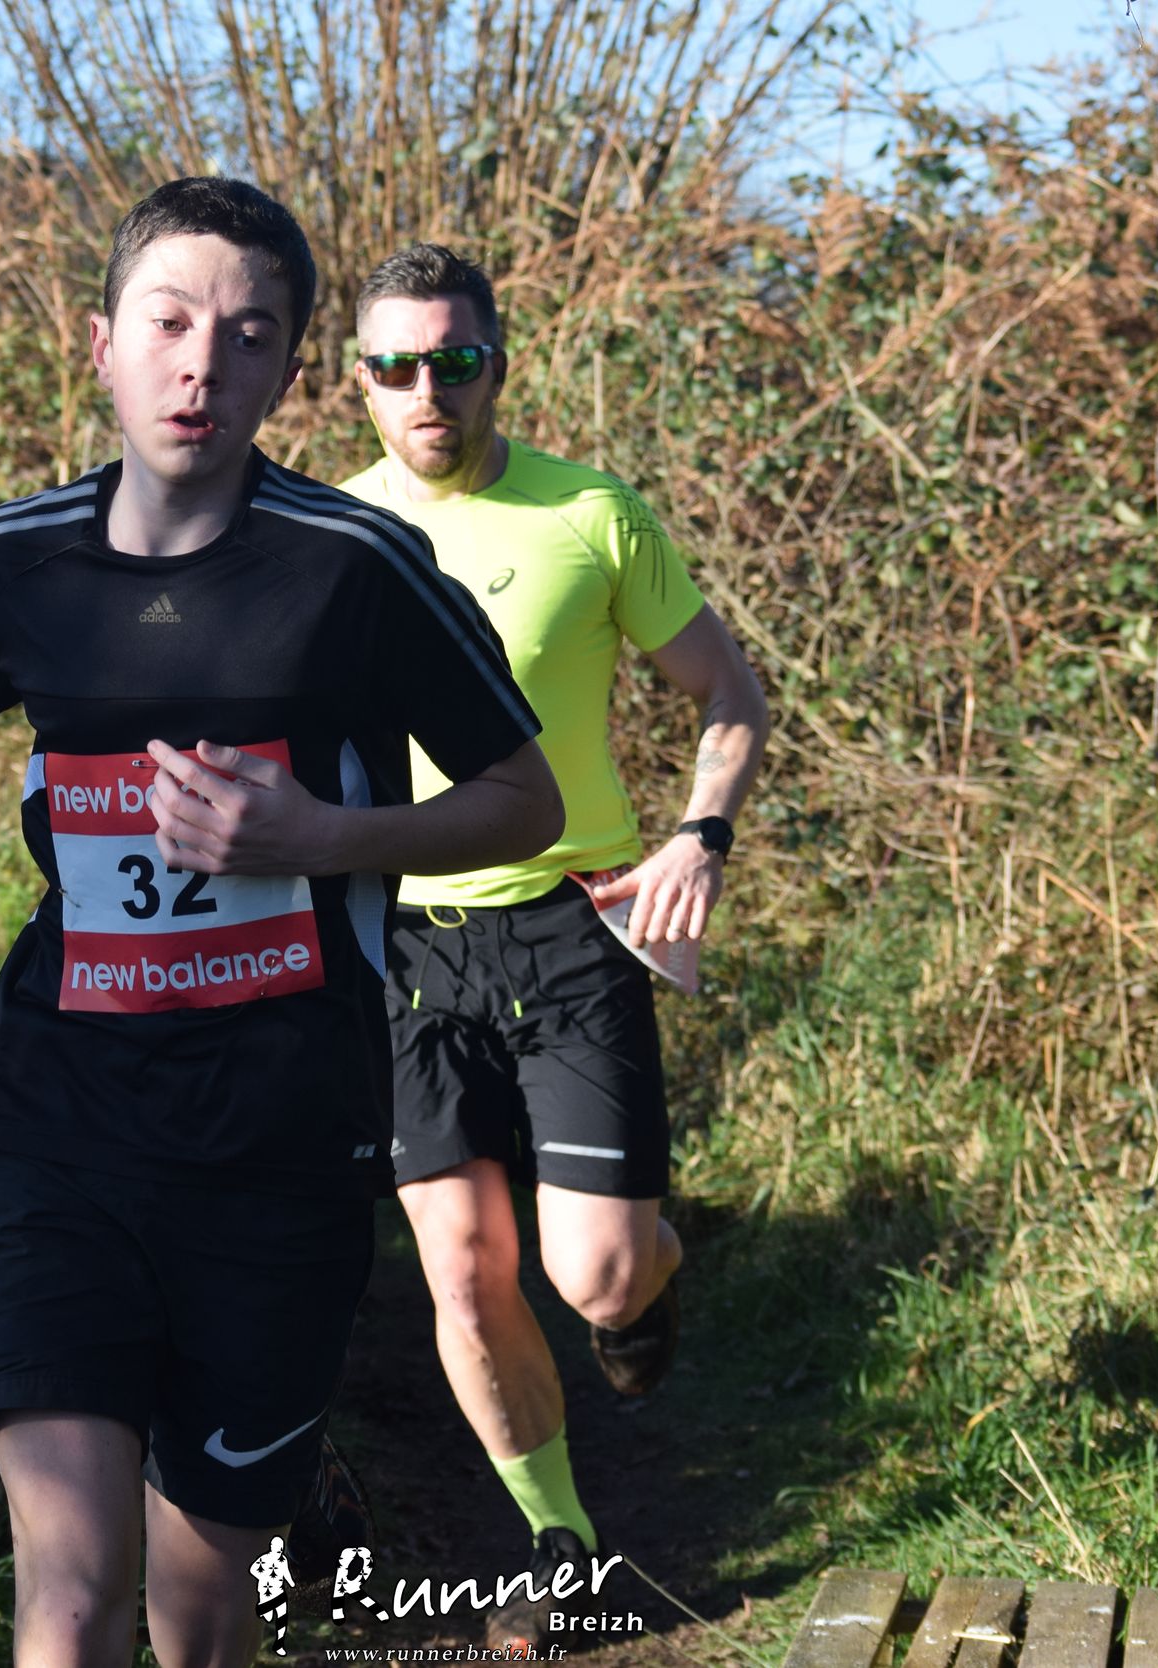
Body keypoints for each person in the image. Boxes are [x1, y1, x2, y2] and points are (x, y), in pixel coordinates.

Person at [0, 185, 560, 1668]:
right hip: (62, 1125)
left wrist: (319, 839)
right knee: (70, 1603)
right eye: (171, 322)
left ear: (289, 373)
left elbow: (528, 801)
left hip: (284, 1144)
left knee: (195, 1621)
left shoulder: (356, 566)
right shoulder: (7, 565)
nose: (203, 362)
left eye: (249, 335)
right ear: (103, 344)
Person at [340, 244, 769, 1651]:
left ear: (498, 367)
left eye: (455, 361)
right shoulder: (326, 537)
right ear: (358, 382)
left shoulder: (592, 514)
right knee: (466, 1271)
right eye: (397, 365)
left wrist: (699, 836)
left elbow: (727, 691)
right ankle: (558, 1540)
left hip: (575, 926)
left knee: (596, 1277)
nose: (429, 390)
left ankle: (653, 1267)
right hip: (404, 945)